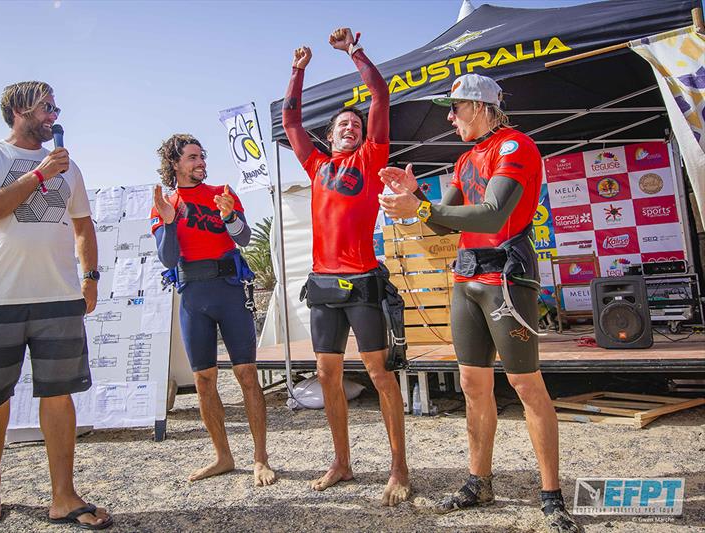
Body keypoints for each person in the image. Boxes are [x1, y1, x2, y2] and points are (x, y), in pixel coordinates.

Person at [378, 73, 579, 532]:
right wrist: (416, 198)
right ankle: (478, 481)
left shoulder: (515, 146)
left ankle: (551, 494)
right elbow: (442, 226)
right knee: (471, 384)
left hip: (506, 273)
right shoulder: (465, 157)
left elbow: (494, 212)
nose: (450, 119)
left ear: (481, 106)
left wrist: (423, 208)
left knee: (527, 385)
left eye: (455, 109)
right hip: (466, 274)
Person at [0, 81, 111, 529]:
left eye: (55, 107)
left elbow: (83, 226)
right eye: (46, 107)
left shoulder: (71, 167)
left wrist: (90, 277)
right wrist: (40, 174)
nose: (54, 114)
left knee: (58, 396)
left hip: (59, 297)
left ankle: (63, 496)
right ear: (19, 108)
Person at [282, 27, 410, 506]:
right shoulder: (315, 166)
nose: (350, 127)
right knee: (327, 374)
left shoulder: (373, 155)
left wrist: (354, 52)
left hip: (361, 281)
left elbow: (379, 94)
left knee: (379, 374)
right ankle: (341, 461)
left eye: (355, 124)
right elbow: (291, 120)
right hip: (322, 285)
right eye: (342, 124)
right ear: (330, 133)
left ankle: (399, 467)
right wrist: (297, 72)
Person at [151, 134, 276, 487]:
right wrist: (170, 221)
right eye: (192, 157)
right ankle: (223, 456)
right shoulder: (166, 202)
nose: (200, 162)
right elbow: (168, 258)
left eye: (202, 155)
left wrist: (229, 215)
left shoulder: (221, 191)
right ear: (174, 163)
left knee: (247, 375)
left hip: (229, 292)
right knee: (204, 381)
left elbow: (244, 238)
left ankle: (260, 458)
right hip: (193, 296)